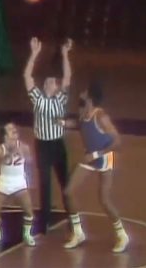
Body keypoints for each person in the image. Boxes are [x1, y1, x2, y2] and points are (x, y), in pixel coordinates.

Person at [23, 37, 84, 238]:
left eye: (53, 81)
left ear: (56, 87)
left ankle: (72, 219)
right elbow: (27, 76)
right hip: (42, 145)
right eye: (48, 80)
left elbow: (68, 77)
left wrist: (66, 55)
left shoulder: (61, 98)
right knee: (45, 183)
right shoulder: (38, 99)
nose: (49, 81)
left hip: (57, 145)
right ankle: (45, 221)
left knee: (64, 181)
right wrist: (34, 54)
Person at [59, 79, 129, 252]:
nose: (81, 92)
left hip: (106, 157)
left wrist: (97, 154)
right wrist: (61, 123)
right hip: (89, 158)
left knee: (104, 198)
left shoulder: (101, 116)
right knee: (68, 192)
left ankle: (122, 235)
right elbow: (79, 124)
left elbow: (117, 141)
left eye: (84, 90)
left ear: (89, 95)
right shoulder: (84, 112)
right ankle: (78, 232)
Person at [0, 122, 36, 247]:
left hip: (19, 181)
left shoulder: (24, 147)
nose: (14, 130)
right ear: (5, 136)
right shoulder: (0, 148)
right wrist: (9, 151)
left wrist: (23, 153)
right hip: (4, 181)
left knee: (29, 210)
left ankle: (27, 234)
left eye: (14, 128)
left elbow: (30, 160)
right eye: (10, 129)